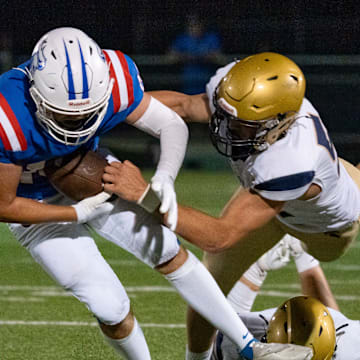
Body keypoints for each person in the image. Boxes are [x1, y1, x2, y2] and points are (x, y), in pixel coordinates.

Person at [0, 27, 295, 360]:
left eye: (87, 113)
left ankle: (249, 347)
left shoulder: (116, 79)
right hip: (34, 202)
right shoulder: (7, 113)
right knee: (109, 306)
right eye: (66, 116)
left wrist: (165, 177)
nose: (78, 123)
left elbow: (170, 123)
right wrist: (75, 214)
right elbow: (5, 204)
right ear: (36, 95)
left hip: (97, 174)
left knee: (168, 249)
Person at [102, 52, 360, 360]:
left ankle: (301, 256)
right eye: (226, 116)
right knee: (208, 282)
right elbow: (185, 106)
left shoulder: (292, 161)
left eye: (242, 125)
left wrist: (145, 194)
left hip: (327, 226)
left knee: (321, 249)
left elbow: (219, 235)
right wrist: (101, 114)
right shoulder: (239, 86)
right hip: (277, 194)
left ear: (279, 125)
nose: (225, 128)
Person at [212, 241, 359, 360]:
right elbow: (212, 333)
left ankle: (304, 254)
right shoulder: (255, 330)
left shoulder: (351, 348)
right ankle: (261, 266)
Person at [168, 14, 224, 95]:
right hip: (187, 84)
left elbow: (220, 58)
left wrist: (205, 57)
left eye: (197, 24)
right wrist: (186, 57)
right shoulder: (182, 39)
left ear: (202, 25)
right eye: (191, 25)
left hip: (207, 83)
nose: (195, 28)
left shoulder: (211, 37)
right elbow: (170, 58)